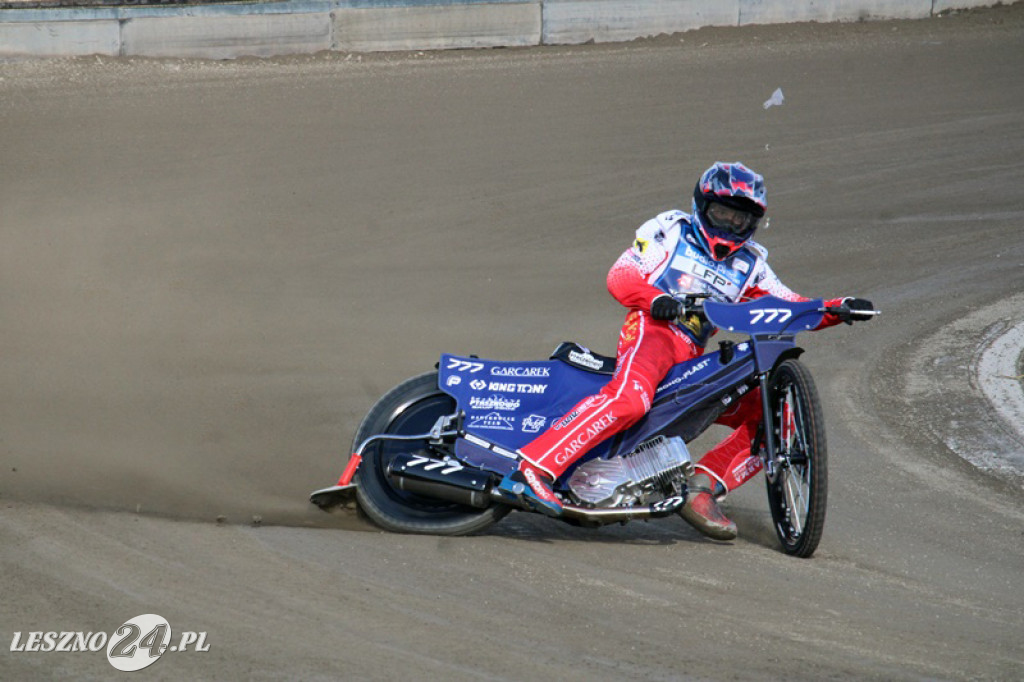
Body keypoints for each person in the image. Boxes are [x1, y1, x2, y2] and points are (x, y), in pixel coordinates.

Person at [496, 161, 874, 540]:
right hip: (653, 331)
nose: (728, 224)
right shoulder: (670, 230)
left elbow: (789, 305)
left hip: (692, 354)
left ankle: (702, 487)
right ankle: (532, 469)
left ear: (752, 222)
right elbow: (621, 275)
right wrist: (656, 297)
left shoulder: (752, 264)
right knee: (631, 401)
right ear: (702, 206)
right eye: (721, 213)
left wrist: (836, 308)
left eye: (738, 219)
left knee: (774, 415)